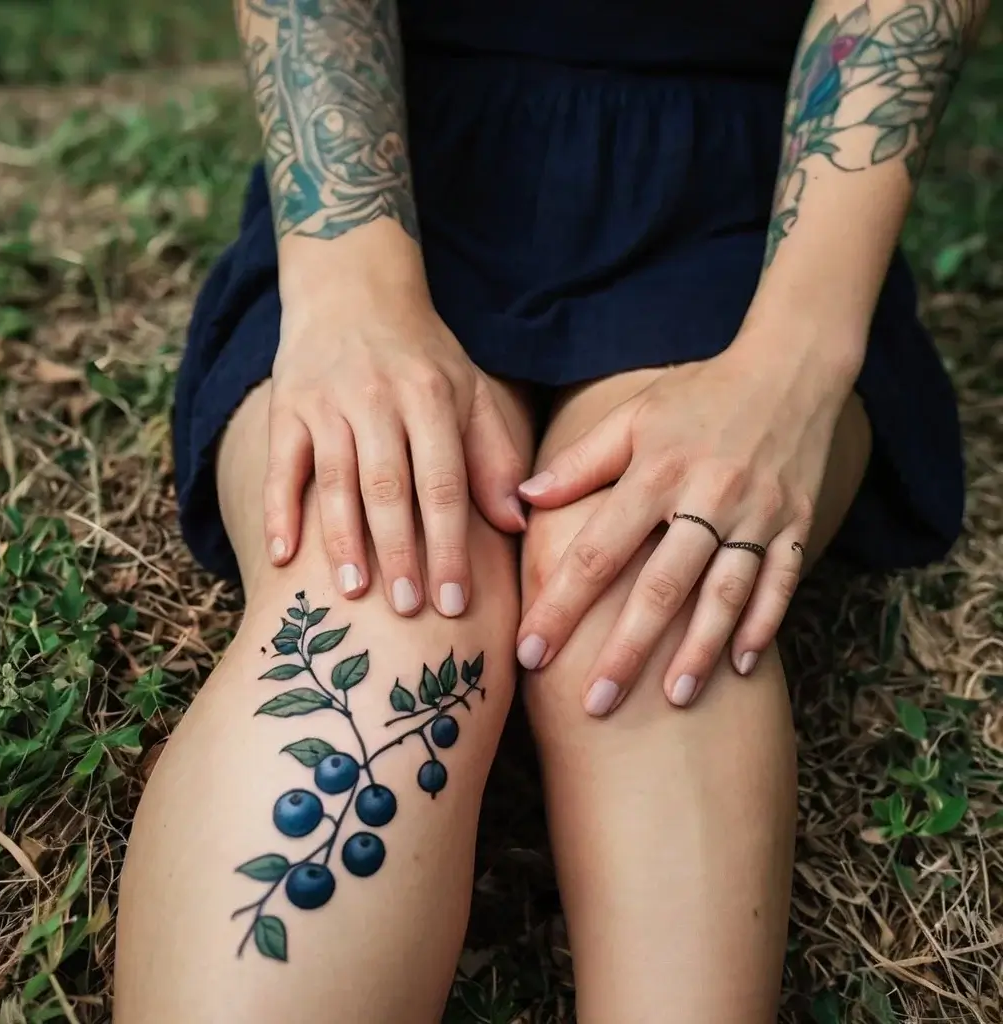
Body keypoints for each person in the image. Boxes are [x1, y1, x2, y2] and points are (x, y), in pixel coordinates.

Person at [114, 1, 984, 1020]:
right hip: (387, 165)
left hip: (767, 197)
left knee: (645, 602)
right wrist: (351, 292)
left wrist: (793, 359)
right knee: (381, 609)